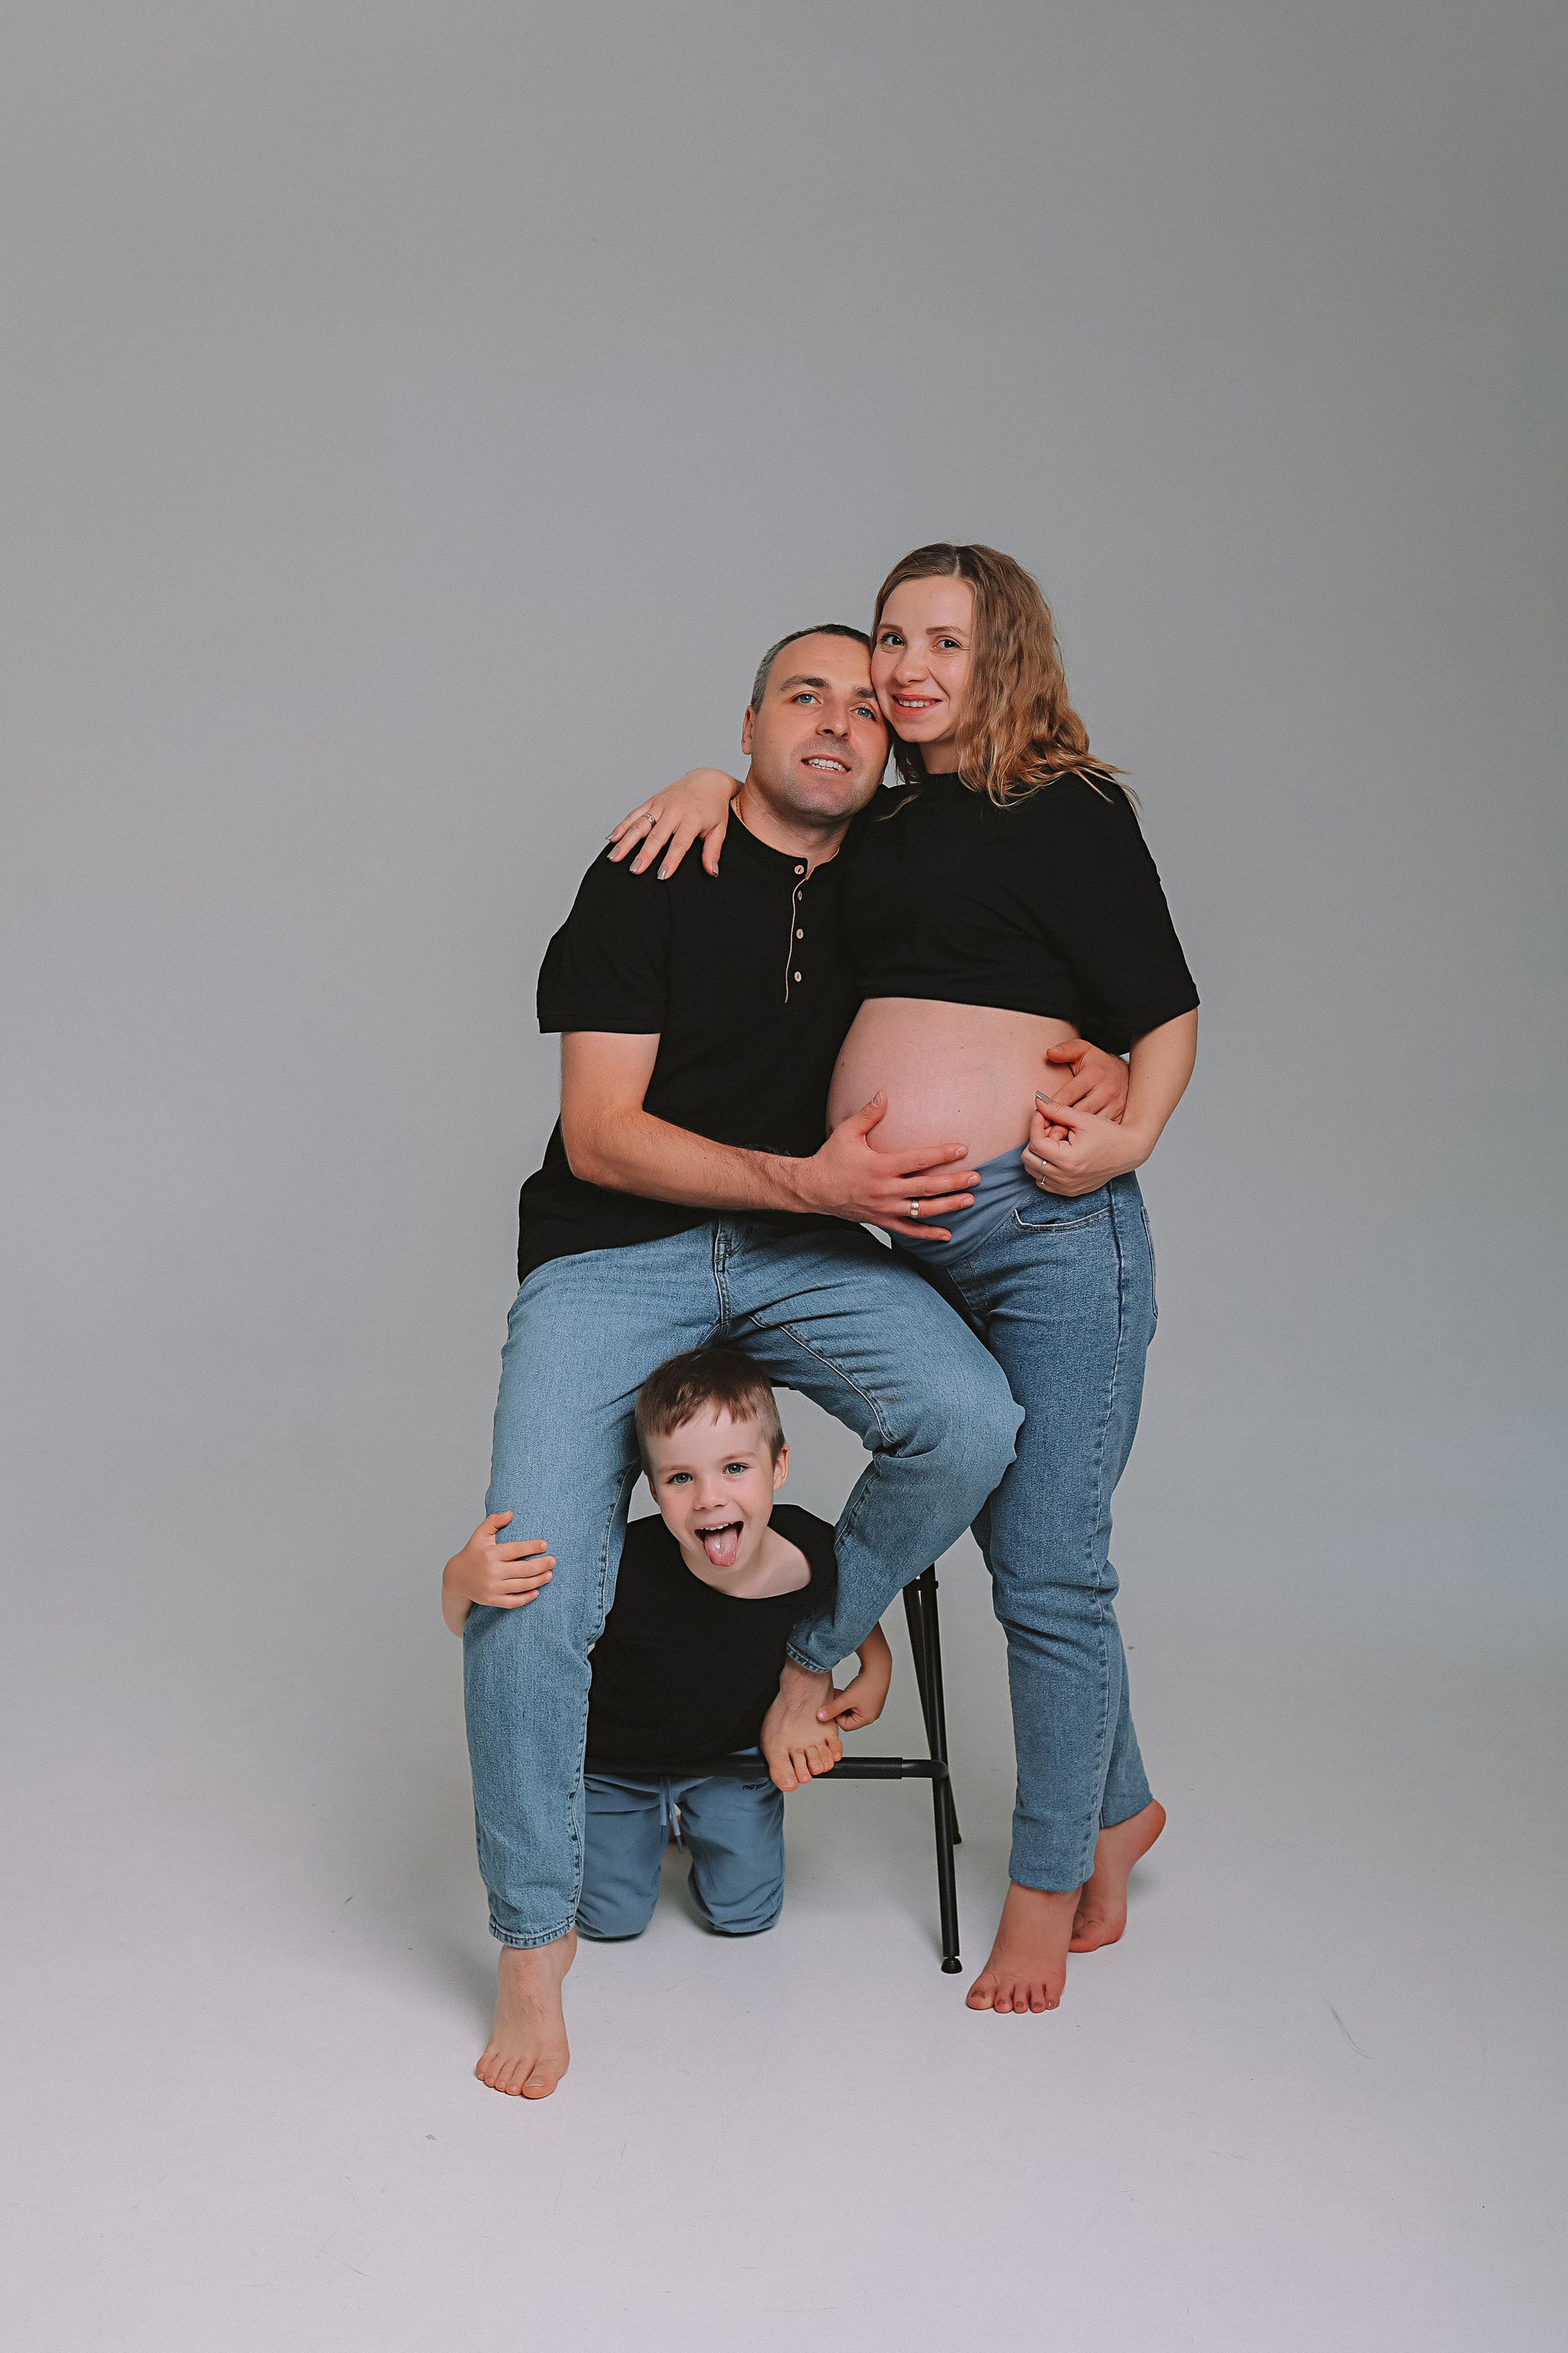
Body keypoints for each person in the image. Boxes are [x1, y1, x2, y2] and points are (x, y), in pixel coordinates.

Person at [449, 620, 1068, 2099]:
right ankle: (532, 1946)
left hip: (804, 1252)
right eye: (806, 696)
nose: (839, 722)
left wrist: (1106, 1052)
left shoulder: (900, 873)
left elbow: (1047, 946)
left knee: (969, 1416)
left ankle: (803, 1655)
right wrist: (808, 1182)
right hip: (616, 1251)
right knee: (530, 1575)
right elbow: (602, 1133)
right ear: (747, 726)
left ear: (891, 750)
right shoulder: (648, 866)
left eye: (867, 706)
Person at [608, 541, 1200, 2018]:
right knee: (1013, 1517)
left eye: (946, 640)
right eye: (892, 639)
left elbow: (1163, 1009)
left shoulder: (1069, 805)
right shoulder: (878, 822)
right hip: (908, 1237)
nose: (910, 668)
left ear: (1008, 654)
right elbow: (784, 820)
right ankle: (1120, 1808)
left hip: (1051, 1228)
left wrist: (1125, 1124)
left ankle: (1043, 1885)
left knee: (1049, 1567)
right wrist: (708, 779)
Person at [447, 1348, 891, 1949]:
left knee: (745, 1914)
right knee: (611, 1921)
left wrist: (877, 1665)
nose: (709, 1498)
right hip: (615, 1764)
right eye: (681, 1478)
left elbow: (846, 1603)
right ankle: (649, 1823)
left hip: (730, 1753)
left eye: (735, 1468)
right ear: (653, 1488)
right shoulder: (623, 1567)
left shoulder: (808, 1547)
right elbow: (493, 1641)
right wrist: (459, 1581)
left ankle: (693, 1819)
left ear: (778, 1465)